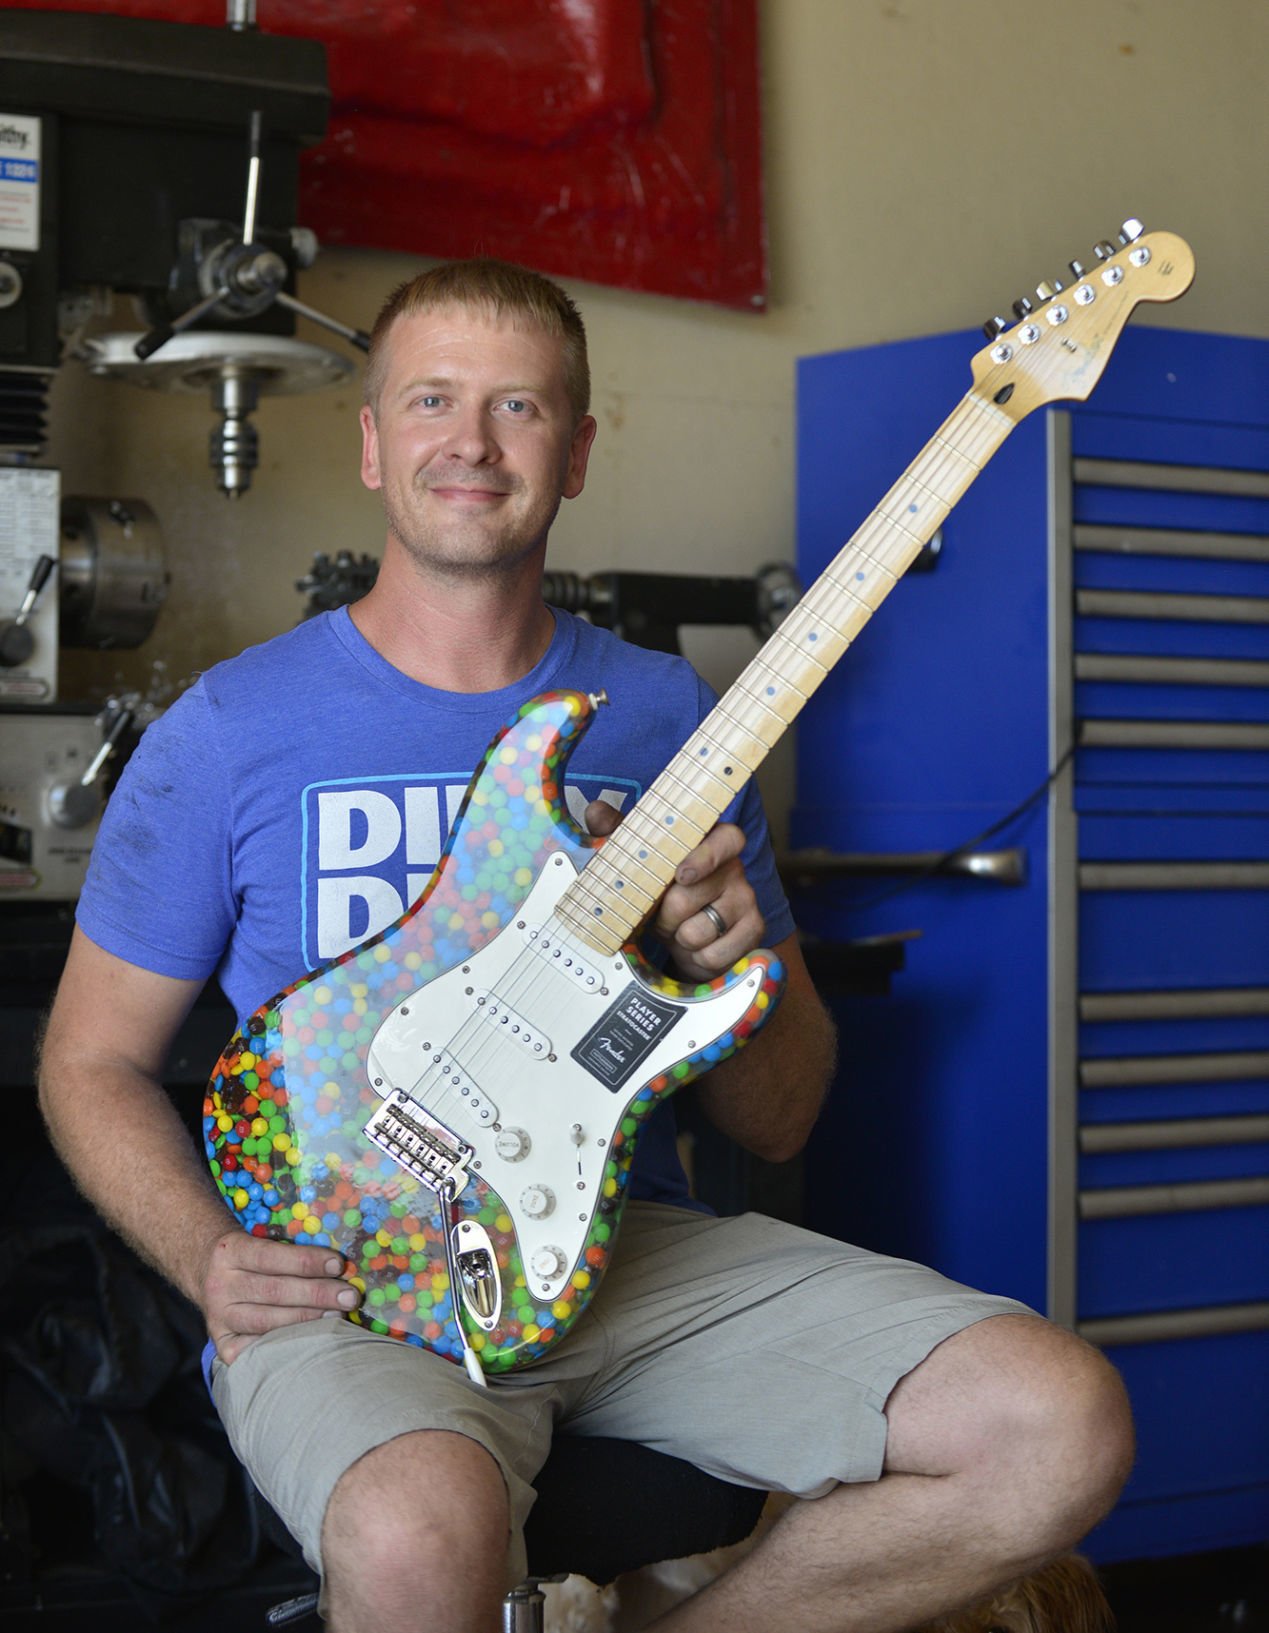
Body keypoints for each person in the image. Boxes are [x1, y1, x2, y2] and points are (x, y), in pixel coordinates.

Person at [39, 258, 1133, 1633]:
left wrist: (742, 963)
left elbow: (780, 1115)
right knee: (419, 1529)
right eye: (432, 399)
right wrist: (208, 1255)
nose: (471, 442)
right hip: (348, 1272)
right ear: (373, 441)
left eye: (519, 407)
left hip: (626, 1250)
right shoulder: (231, 729)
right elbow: (87, 1060)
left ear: (577, 452)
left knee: (1055, 1419)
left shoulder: (664, 711)